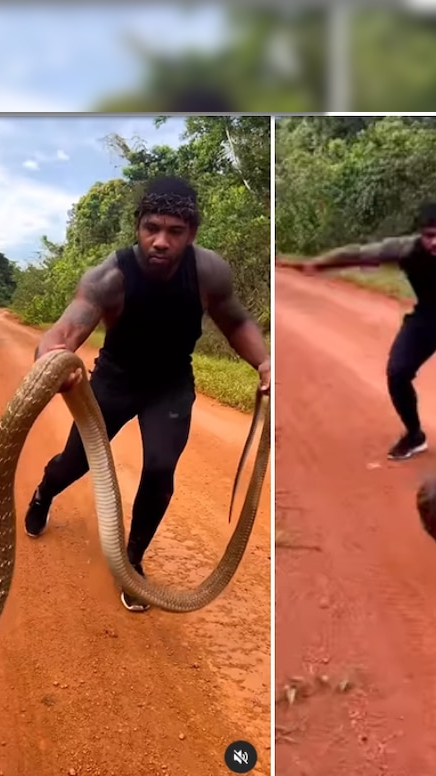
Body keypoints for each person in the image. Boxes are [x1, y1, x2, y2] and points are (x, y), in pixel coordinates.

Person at [23, 176, 271, 613]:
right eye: (151, 228)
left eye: (175, 232)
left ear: (191, 233)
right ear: (137, 226)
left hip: (171, 383)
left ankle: (132, 563)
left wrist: (265, 363)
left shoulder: (209, 271)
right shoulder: (110, 276)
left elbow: (236, 323)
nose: (161, 241)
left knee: (160, 468)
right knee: (75, 463)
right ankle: (45, 490)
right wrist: (52, 360)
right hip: (114, 381)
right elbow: (64, 331)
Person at [280, 201, 436, 475]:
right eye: (429, 235)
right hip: (426, 318)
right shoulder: (406, 249)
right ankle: (414, 435)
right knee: (397, 372)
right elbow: (358, 254)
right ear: (421, 234)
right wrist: (319, 264)